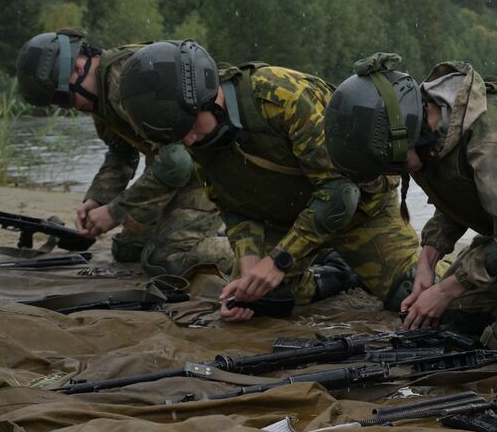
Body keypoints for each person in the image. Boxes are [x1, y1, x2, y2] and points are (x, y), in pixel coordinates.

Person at [116, 40, 419, 321]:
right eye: (179, 136)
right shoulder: (198, 135)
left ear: (209, 98)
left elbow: (340, 192)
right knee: (256, 299)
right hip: (286, 217)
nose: (189, 140)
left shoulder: (282, 97)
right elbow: (232, 205)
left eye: (191, 127)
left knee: (412, 297)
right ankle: (340, 274)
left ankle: (357, 260)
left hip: (360, 213)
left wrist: (277, 261)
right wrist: (248, 261)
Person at [323, 54, 497, 339]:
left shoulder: (493, 139)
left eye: (394, 165)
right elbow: (457, 195)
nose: (396, 172)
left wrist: (445, 289)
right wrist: (426, 263)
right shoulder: (431, 132)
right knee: (450, 322)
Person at [14, 29, 231, 276]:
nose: (71, 108)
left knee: (168, 259)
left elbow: (176, 164)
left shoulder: (126, 81)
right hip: (176, 173)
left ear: (77, 67)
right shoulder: (100, 99)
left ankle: (254, 253)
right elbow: (121, 153)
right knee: (128, 250)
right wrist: (97, 199)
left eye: (63, 99)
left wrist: (115, 212)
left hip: (212, 168)